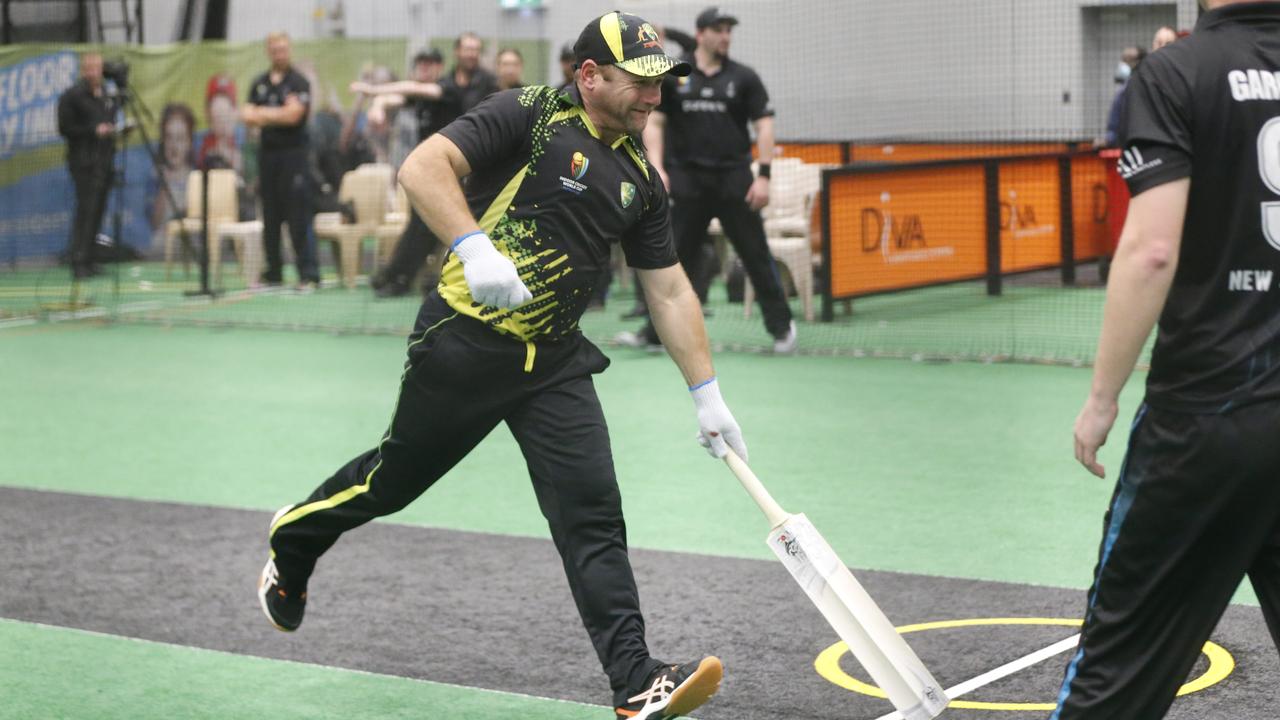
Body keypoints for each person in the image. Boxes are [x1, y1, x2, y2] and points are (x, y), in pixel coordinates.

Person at [258, 11, 741, 720]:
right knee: (391, 484)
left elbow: (667, 287)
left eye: (659, 83)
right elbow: (423, 167)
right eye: (638, 83)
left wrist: (707, 392)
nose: (653, 97)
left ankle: (636, 682)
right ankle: (292, 539)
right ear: (588, 75)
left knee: (592, 513)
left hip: (554, 361)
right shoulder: (529, 115)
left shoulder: (641, 176)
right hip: (464, 343)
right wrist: (474, 249)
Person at [1055, 1, 1280, 718]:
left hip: (1207, 419)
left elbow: (1152, 250)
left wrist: (1101, 399)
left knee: (1116, 675)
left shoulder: (1177, 71)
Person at [617, 6, 797, 354]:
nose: (726, 36)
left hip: (735, 182)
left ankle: (783, 331)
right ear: (700, 35)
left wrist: (764, 176)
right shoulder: (674, 77)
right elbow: (655, 122)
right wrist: (657, 167)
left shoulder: (745, 78)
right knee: (670, 260)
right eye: (719, 30)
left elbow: (764, 125)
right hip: (687, 182)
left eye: (729, 30)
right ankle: (655, 335)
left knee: (756, 256)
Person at [353, 49, 459, 298]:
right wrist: (378, 105)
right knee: (418, 223)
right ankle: (395, 275)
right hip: (427, 170)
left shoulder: (447, 88)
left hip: (451, 170)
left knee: (426, 226)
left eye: (431, 64)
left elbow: (413, 89)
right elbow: (398, 98)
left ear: (440, 67)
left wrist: (372, 92)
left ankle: (400, 277)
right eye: (421, 64)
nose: (425, 68)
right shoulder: (417, 96)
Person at [242, 31, 319, 290]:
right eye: (275, 49)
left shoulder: (299, 82)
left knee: (298, 216)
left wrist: (263, 113)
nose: (280, 53)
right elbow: (246, 114)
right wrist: (279, 112)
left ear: (290, 50)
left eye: (284, 49)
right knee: (271, 216)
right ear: (268, 51)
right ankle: (273, 273)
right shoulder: (259, 83)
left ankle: (308, 274)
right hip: (267, 157)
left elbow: (294, 116)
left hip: (294, 157)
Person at [57, 52, 116, 280]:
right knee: (86, 210)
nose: (94, 72)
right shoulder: (72, 96)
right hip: (82, 162)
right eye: (90, 68)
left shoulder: (105, 96)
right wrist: (93, 131)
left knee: (98, 210)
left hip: (104, 161)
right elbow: (65, 129)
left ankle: (90, 258)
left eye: (97, 68)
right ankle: (78, 260)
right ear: (83, 70)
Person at [149, 102, 196, 243]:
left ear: (189, 142)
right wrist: (165, 185)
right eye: (169, 137)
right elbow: (155, 222)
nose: (174, 146)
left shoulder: (196, 177)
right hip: (162, 244)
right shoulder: (155, 176)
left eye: (180, 138)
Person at [443, 32, 499, 115]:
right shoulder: (446, 81)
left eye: (476, 50)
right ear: (457, 51)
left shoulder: (491, 82)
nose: (471, 54)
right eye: (468, 49)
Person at [1102, 46, 1145, 148]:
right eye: (1123, 59)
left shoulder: (1141, 89)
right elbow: (1114, 124)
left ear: (1139, 62)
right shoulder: (1123, 91)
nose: (1123, 63)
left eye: (1128, 59)